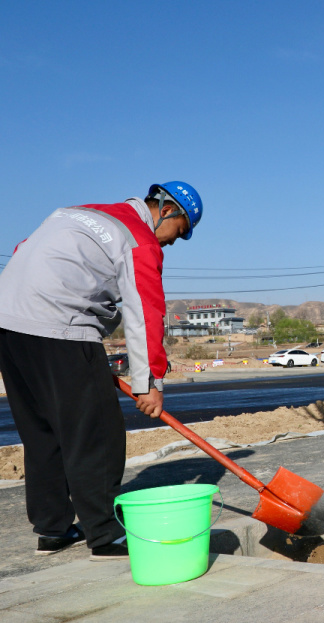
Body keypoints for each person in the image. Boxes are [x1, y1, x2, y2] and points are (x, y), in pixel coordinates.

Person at [0, 182, 203, 559]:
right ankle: (107, 535)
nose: (174, 243)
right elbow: (144, 310)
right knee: (97, 432)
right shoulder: (138, 237)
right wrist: (148, 383)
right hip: (61, 326)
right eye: (180, 233)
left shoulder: (75, 212)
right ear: (169, 210)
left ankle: (53, 529)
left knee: (44, 432)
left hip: (9, 325)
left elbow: (21, 252)